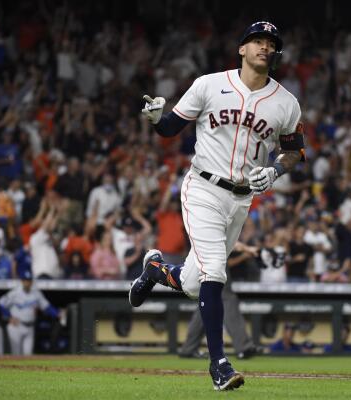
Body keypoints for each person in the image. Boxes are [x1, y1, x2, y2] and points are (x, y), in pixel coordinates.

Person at [129, 21, 304, 391]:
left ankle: (155, 270)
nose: (264, 47)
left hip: (242, 199)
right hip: (203, 189)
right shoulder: (209, 84)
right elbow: (170, 129)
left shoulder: (286, 102)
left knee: (194, 283)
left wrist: (274, 171)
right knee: (216, 275)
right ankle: (219, 365)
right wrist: (157, 118)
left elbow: (294, 151)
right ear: (242, 48)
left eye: (270, 43)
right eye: (257, 41)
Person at [178, 242, 262, 360]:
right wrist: (247, 248)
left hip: (203, 257)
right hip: (211, 258)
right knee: (228, 299)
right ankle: (243, 347)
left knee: (206, 303)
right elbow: (227, 239)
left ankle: (188, 348)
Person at [0, 270, 60, 355]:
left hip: (30, 327)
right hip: (16, 326)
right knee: (16, 354)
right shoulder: (15, 292)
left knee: (28, 355)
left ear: (31, 281)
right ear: (22, 281)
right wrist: (9, 317)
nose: (27, 282)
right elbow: (1, 303)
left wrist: (57, 313)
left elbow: (46, 307)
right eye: (25, 280)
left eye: (29, 280)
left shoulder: (36, 293)